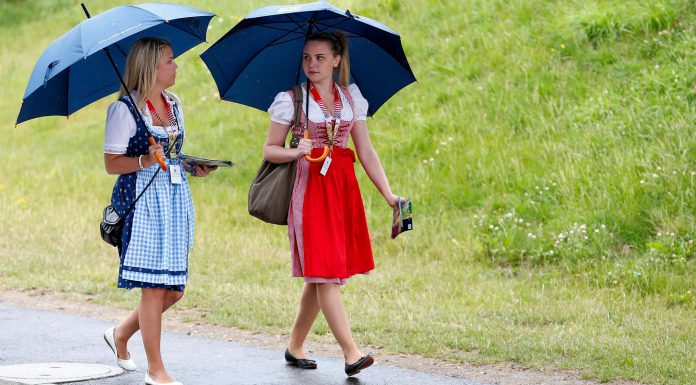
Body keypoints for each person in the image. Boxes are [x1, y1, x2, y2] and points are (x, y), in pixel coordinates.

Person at [263, 31, 400, 377]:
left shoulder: (351, 97)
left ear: (337, 59)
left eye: (320, 57)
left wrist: (389, 195)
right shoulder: (292, 99)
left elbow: (366, 151)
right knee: (325, 274)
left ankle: (295, 345)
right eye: (307, 57)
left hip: (342, 188)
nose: (311, 64)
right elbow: (270, 150)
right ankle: (351, 352)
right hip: (309, 191)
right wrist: (296, 151)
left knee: (320, 274)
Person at [102, 37, 215, 385]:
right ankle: (156, 370)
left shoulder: (174, 104)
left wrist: (192, 166)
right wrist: (145, 159)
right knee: (152, 287)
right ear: (152, 66)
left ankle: (121, 333)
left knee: (174, 290)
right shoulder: (124, 110)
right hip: (142, 203)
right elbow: (111, 164)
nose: (176, 66)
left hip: (173, 201)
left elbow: (174, 155)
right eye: (170, 60)